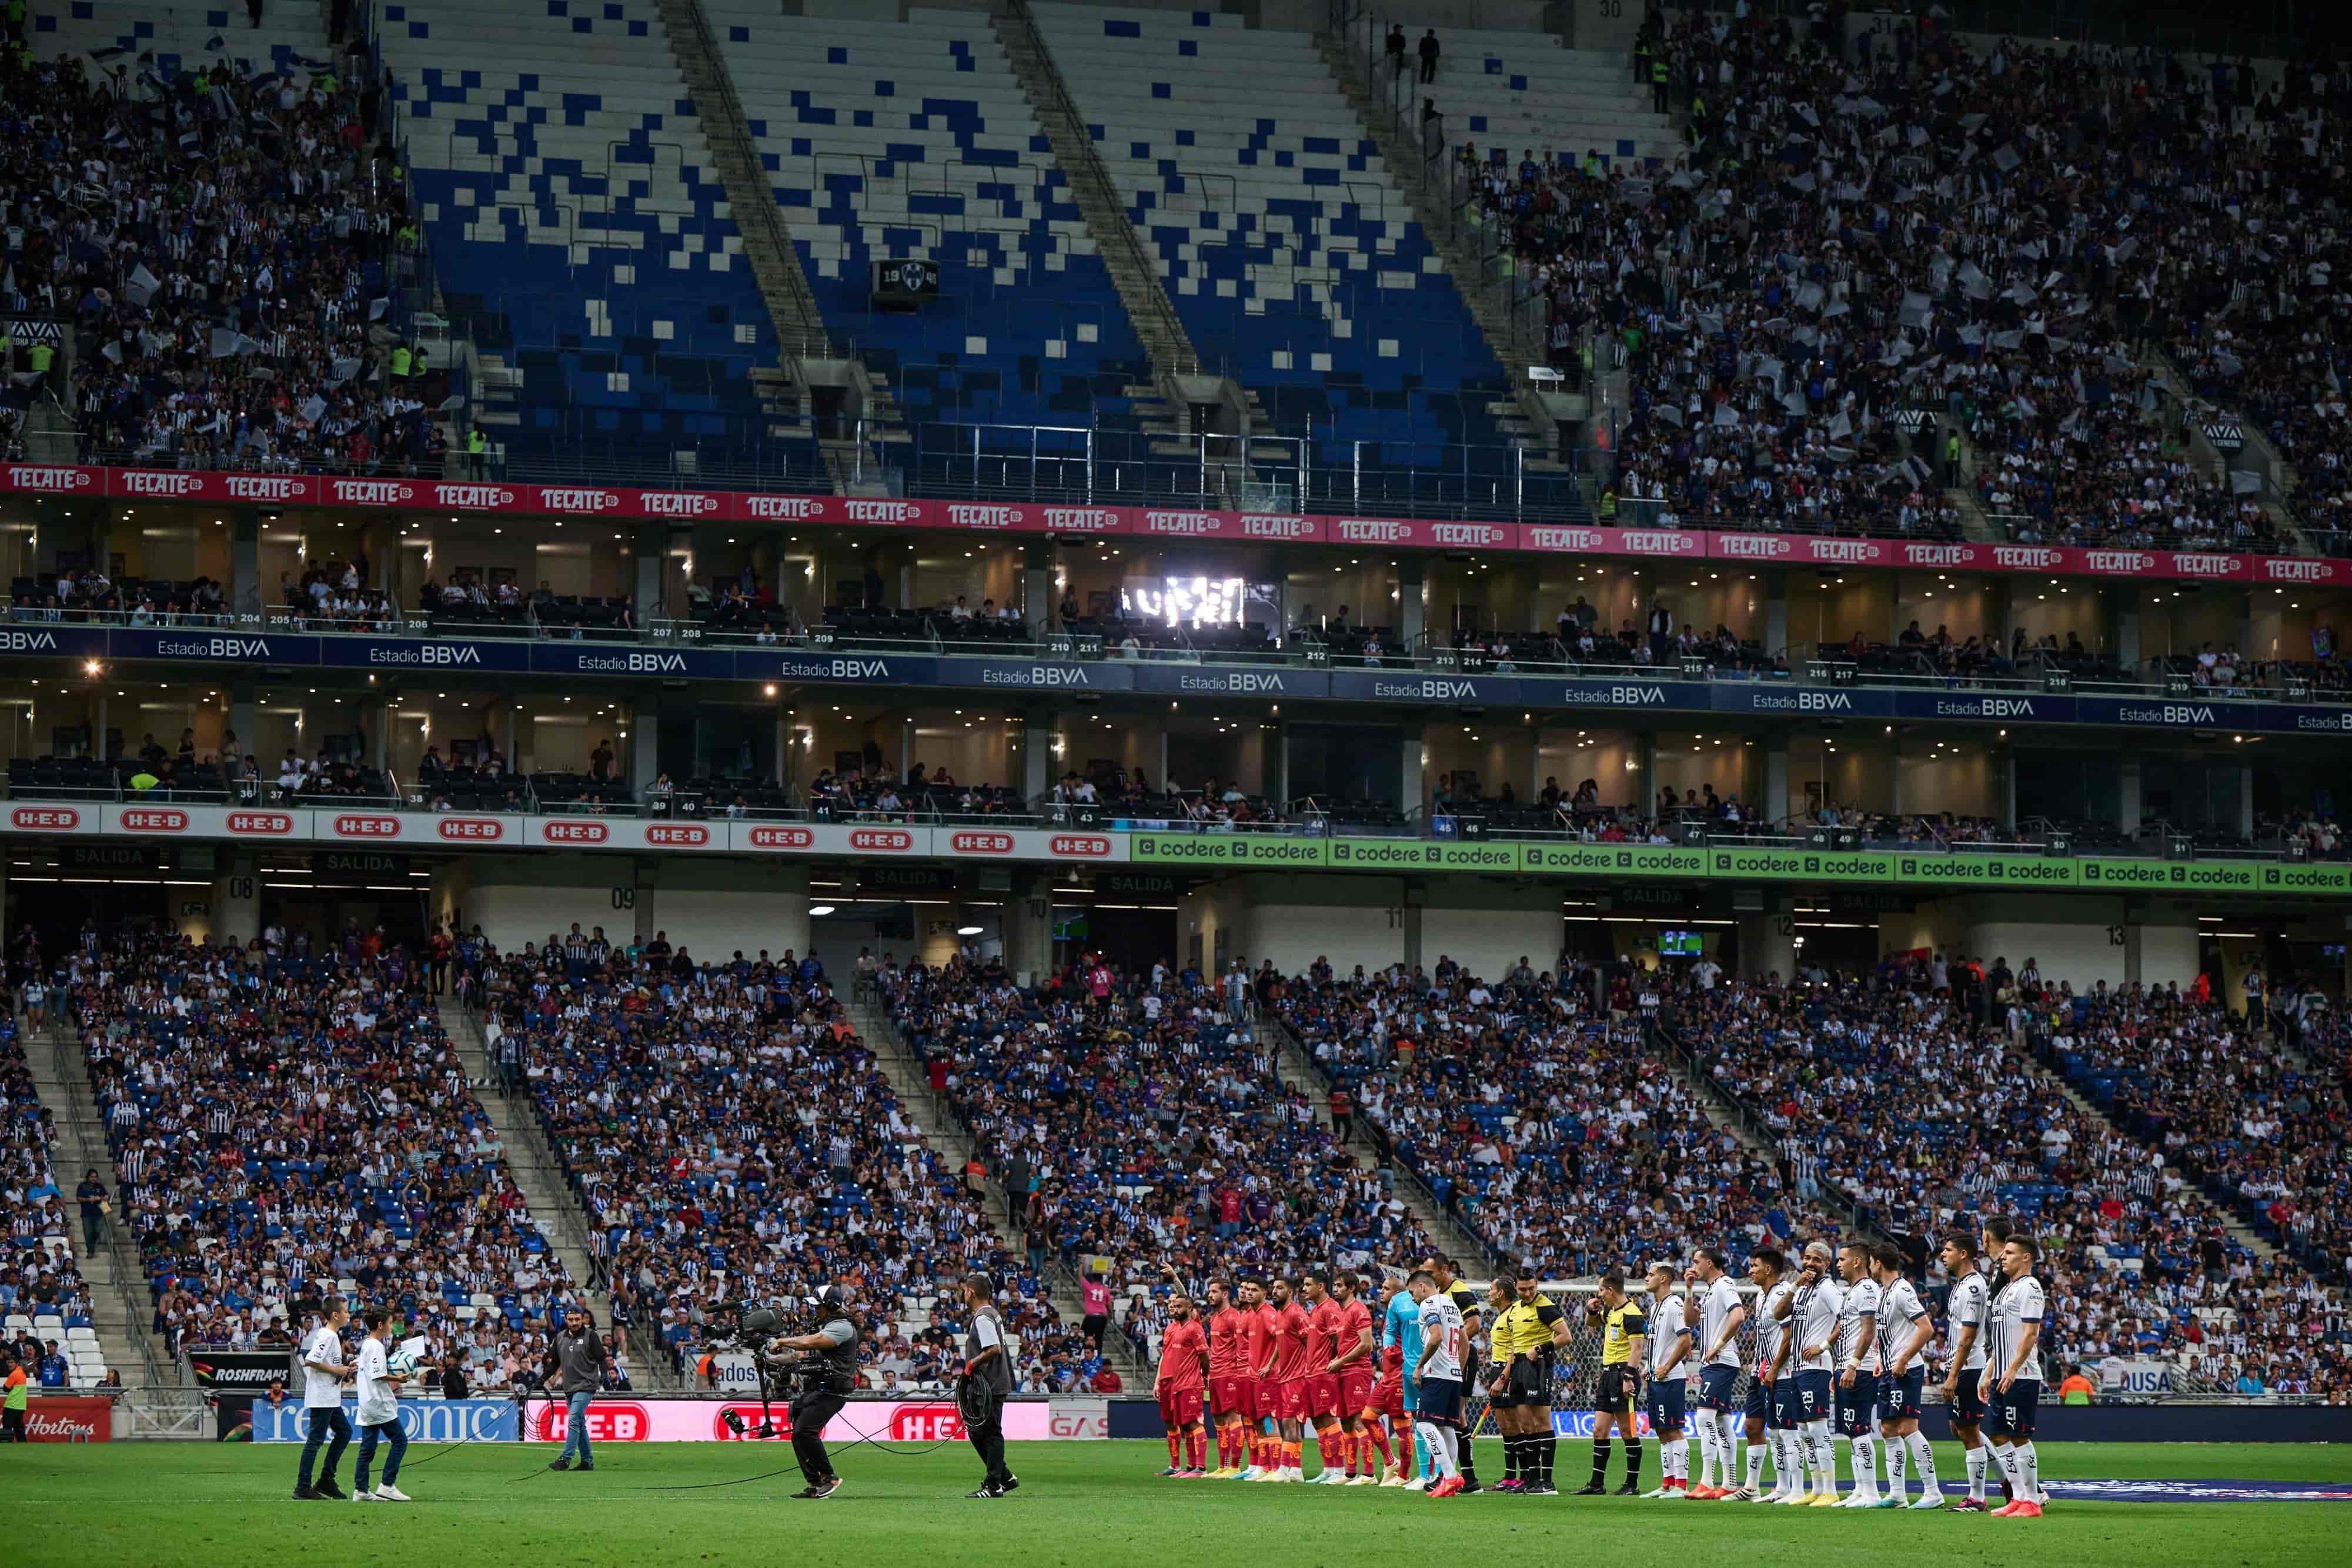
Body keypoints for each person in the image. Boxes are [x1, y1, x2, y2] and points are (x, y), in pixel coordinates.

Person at [1867, 1242, 1942, 1508]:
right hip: (1888, 1369)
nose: (1869, 1266)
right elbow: (1889, 1332)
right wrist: (1880, 1358)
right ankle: (1897, 1494)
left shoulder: (1902, 1290)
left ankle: (1933, 1492)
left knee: (1908, 1428)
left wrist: (1903, 1358)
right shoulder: (1882, 1293)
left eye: (1871, 1262)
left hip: (1906, 1369)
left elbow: (1925, 1328)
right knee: (1887, 1429)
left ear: (1877, 1263)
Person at [770, 1285, 861, 1499]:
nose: (815, 1310)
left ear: (830, 1307)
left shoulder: (842, 1328)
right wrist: (770, 1359)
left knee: (804, 1432)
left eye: (818, 1306)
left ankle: (829, 1478)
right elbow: (798, 1357)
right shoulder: (829, 1327)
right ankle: (814, 1483)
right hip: (820, 1390)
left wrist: (782, 1341)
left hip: (833, 1391)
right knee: (798, 1434)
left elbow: (810, 1342)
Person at [1983, 1235, 2048, 1517]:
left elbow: (2030, 1334)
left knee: (2018, 1436)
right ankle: (2018, 1496)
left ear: (2026, 1258)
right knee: (1999, 1434)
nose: (2002, 1257)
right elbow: (2002, 1340)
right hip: (2001, 1374)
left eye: (2009, 1253)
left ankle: (2032, 1501)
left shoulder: (2030, 1287)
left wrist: (2010, 1369)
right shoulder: (2006, 1291)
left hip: (2020, 1375)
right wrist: (1988, 1373)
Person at [1936, 1231, 1995, 1511]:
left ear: (1963, 1254)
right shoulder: (1960, 1285)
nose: (1942, 1255)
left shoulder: (1972, 1288)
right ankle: (2008, 1481)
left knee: (1969, 1431)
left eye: (1947, 1250)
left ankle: (1977, 1497)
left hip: (1969, 1367)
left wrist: (1953, 1374)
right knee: (1959, 1428)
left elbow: (1968, 1337)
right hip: (1961, 1365)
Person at [1781, 1242, 1843, 1505]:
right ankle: (1817, 1488)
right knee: (1805, 1431)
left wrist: (1824, 1345)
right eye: (1806, 1258)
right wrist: (1795, 1284)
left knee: (1818, 1430)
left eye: (1816, 1260)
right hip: (1798, 1368)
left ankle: (1831, 1489)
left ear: (1826, 1264)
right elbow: (1778, 1314)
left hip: (1816, 1368)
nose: (1809, 1264)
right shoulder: (1804, 1290)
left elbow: (1847, 1319)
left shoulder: (1829, 1289)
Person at [1730, 1247, 1792, 1502]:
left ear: (1768, 1269)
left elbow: (1789, 1336)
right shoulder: (1760, 1296)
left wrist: (1775, 1368)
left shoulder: (1781, 1295)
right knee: (1752, 1426)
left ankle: (1784, 1487)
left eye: (1754, 1266)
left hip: (1778, 1373)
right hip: (1759, 1372)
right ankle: (1752, 1486)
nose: (1750, 1270)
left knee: (1779, 1431)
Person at [1688, 1246, 1746, 1498]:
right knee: (1722, 1422)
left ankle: (1707, 1481)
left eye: (1696, 1261)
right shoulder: (1711, 1291)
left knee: (1704, 1418)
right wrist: (1689, 1289)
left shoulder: (1724, 1285)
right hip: (1714, 1361)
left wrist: (1718, 1345)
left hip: (1722, 1360)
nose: (1693, 1265)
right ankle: (1729, 1482)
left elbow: (1739, 1316)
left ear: (1709, 1263)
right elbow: (1690, 1321)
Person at [1422, 1256, 1483, 1491]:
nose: (1428, 1277)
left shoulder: (1460, 1292)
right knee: (1449, 1419)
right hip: (1446, 1362)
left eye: (1431, 1272)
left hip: (1460, 1359)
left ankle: (1466, 1476)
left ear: (1444, 1270)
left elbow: (1475, 1324)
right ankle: (1453, 1475)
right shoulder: (1436, 1297)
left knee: (1457, 1416)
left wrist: (1453, 1354)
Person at [1831, 1241, 1883, 1507]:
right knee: (1852, 1432)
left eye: (1842, 1259)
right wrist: (1839, 1367)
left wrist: (1852, 1364)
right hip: (1847, 1366)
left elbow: (1868, 1329)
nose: (1837, 1264)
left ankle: (1871, 1492)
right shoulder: (1852, 1291)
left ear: (1856, 1262)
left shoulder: (1866, 1289)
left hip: (1861, 1368)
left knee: (1860, 1429)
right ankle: (1860, 1489)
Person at [958, 1272, 1017, 1497]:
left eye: (965, 1290)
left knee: (991, 1432)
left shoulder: (982, 1317)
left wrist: (971, 1364)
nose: (964, 1294)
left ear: (971, 1292)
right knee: (977, 1431)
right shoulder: (992, 1314)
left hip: (990, 1385)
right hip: (992, 1383)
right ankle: (1004, 1476)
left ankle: (994, 1485)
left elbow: (994, 1349)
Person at [1409, 1270, 1466, 1496]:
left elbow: (1437, 1336)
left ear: (1422, 1286)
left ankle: (1450, 1476)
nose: (1413, 1298)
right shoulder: (1452, 1305)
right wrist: (1457, 1369)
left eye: (1413, 1291)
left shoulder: (1429, 1304)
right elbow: (1465, 1343)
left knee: (1424, 1424)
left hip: (1437, 1372)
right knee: (1447, 1427)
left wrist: (1420, 1365)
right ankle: (1448, 1481)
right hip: (1454, 1374)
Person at [1577, 1271, 1635, 1496]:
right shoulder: (1610, 1311)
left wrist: (1629, 1377)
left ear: (1610, 1291)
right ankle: (1596, 1484)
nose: (1599, 1294)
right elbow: (1591, 1324)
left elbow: (1637, 1349)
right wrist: (1591, 1310)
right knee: (1599, 1431)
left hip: (1622, 1374)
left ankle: (1632, 1484)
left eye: (1601, 1290)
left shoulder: (1632, 1313)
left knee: (1626, 1431)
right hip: (1607, 1375)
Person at [1639, 1261, 1692, 1499]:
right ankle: (1667, 1484)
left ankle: (1681, 1486)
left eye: (1650, 1275)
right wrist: (1649, 1368)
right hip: (1656, 1377)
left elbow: (1685, 1341)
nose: (1645, 1278)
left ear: (1663, 1279)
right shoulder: (1655, 1307)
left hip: (1671, 1378)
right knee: (1662, 1431)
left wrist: (1666, 1367)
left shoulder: (1675, 1304)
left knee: (1674, 1431)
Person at [294, 1302, 356, 1500]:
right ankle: (303, 1487)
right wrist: (337, 1370)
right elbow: (311, 1360)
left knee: (345, 1432)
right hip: (322, 1397)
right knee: (315, 1441)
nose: (349, 1314)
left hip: (329, 1396)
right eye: (346, 1311)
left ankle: (326, 1480)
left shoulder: (332, 1336)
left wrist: (345, 1366)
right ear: (336, 1315)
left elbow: (329, 1363)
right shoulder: (328, 1335)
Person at [1251, 1276, 1309, 1482]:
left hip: (1296, 1377)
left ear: (1291, 1292)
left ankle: (1283, 1469)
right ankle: (1295, 1470)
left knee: (1285, 1422)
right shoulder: (1281, 1314)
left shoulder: (1296, 1313)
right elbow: (1281, 1343)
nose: (1275, 1291)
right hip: (1283, 1376)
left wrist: (1308, 1368)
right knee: (1286, 1422)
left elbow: (1310, 1342)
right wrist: (1270, 1364)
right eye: (1274, 1288)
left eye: (1280, 1288)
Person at [350, 1309, 412, 1503]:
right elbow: (377, 1374)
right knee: (400, 1441)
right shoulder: (376, 1346)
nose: (391, 1326)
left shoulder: (367, 1345)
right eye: (390, 1322)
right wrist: (399, 1379)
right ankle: (387, 1485)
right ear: (380, 1324)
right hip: (379, 1402)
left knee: (367, 1448)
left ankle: (361, 1490)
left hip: (367, 1402)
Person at [1326, 1273, 1378, 1485]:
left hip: (1357, 1371)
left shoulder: (1359, 1310)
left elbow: (1367, 1344)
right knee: (1346, 1422)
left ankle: (1369, 1474)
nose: (1335, 1289)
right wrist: (1335, 1361)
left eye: (1340, 1286)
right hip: (1343, 1371)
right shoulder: (1341, 1313)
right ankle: (1350, 1473)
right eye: (1335, 1285)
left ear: (1352, 1289)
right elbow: (1345, 1345)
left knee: (1359, 1420)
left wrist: (1340, 1361)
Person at [1372, 1271, 1422, 1489]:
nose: (1381, 1292)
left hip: (1401, 1377)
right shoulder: (1392, 1312)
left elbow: (1413, 1344)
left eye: (1386, 1289)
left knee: (1403, 1426)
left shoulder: (1410, 1308)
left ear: (1400, 1292)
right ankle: (1391, 1462)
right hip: (1387, 1377)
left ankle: (1404, 1474)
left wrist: (1397, 1355)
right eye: (1381, 1288)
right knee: (1368, 1417)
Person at [545, 1309, 612, 1473]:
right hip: (569, 1387)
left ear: (582, 1319)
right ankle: (587, 1462)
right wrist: (542, 1379)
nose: (574, 1323)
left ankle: (565, 1459)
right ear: (566, 1320)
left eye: (577, 1319)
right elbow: (554, 1364)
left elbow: (601, 1359)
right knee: (580, 1425)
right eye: (571, 1319)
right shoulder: (560, 1337)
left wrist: (604, 1375)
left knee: (574, 1420)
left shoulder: (591, 1336)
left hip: (587, 1385)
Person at [1154, 1292, 1210, 1480]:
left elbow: (1205, 1357)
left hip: (1190, 1383)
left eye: (1178, 1306)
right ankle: (1188, 1466)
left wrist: (1205, 1375)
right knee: (1183, 1424)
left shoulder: (1195, 1328)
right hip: (1173, 1382)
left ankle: (1201, 1468)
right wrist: (1158, 1379)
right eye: (1173, 1305)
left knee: (1194, 1422)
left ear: (1189, 1309)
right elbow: (1165, 1356)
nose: (1174, 1308)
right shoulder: (1172, 1328)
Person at [1203, 1279, 1249, 1478]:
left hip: (1231, 1374)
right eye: (1209, 1291)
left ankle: (1235, 1466)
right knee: (1219, 1421)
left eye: (1214, 1291)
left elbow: (1243, 1347)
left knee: (1233, 1419)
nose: (1210, 1295)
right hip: (1215, 1375)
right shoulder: (1214, 1318)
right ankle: (1223, 1465)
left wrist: (1241, 1373)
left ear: (1224, 1294)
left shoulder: (1234, 1318)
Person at [74, 1169, 107, 1253]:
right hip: (87, 1214)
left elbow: (106, 1196)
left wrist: (100, 1198)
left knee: (97, 1230)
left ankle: (92, 1245)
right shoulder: (82, 1186)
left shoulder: (100, 1186)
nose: (94, 1179)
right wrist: (89, 1200)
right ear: (88, 1177)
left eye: (95, 1177)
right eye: (92, 1177)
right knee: (88, 1233)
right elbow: (79, 1198)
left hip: (99, 1213)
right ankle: (91, 1251)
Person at [1, 1355, 26, 1442]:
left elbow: (5, 1388)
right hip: (21, 1406)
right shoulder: (21, 1372)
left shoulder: (14, 1374)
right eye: (8, 1363)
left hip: (11, 1405)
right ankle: (23, 1446)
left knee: (7, 1429)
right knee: (19, 1429)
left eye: (12, 1363)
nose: (10, 1365)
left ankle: (7, 1444)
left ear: (17, 1364)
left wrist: (10, 1388)